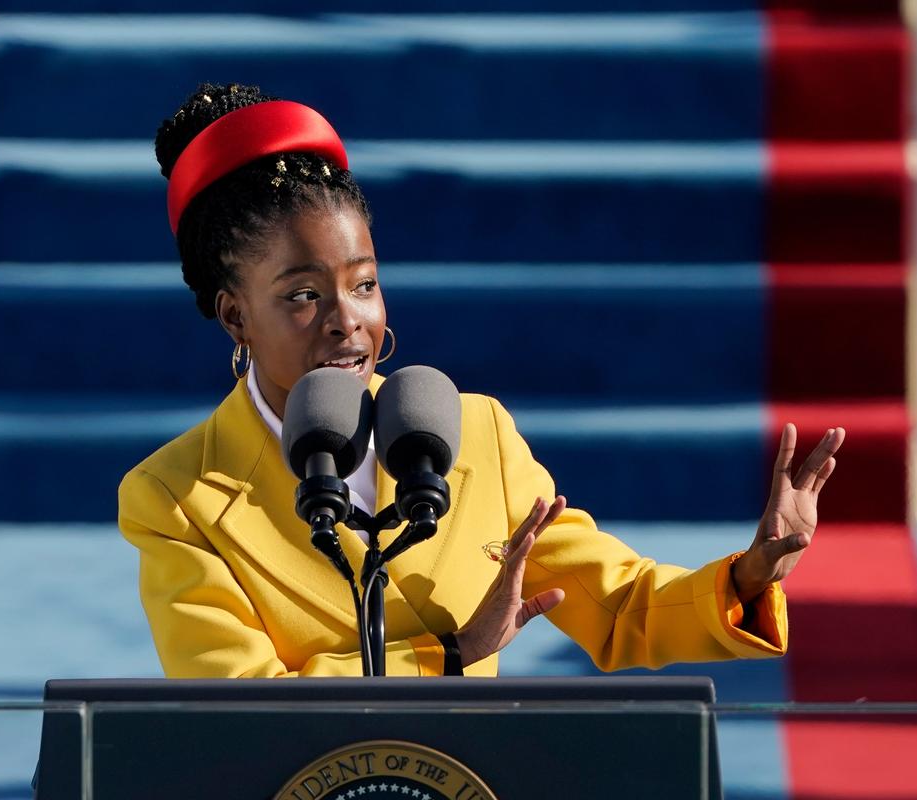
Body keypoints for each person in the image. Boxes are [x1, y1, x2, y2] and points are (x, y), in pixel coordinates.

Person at [119, 83, 846, 678]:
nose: (349, 322)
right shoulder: (177, 498)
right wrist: (454, 656)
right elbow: (238, 713)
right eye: (304, 295)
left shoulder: (473, 437)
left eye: (364, 284)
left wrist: (749, 578)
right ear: (234, 316)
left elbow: (620, 607)